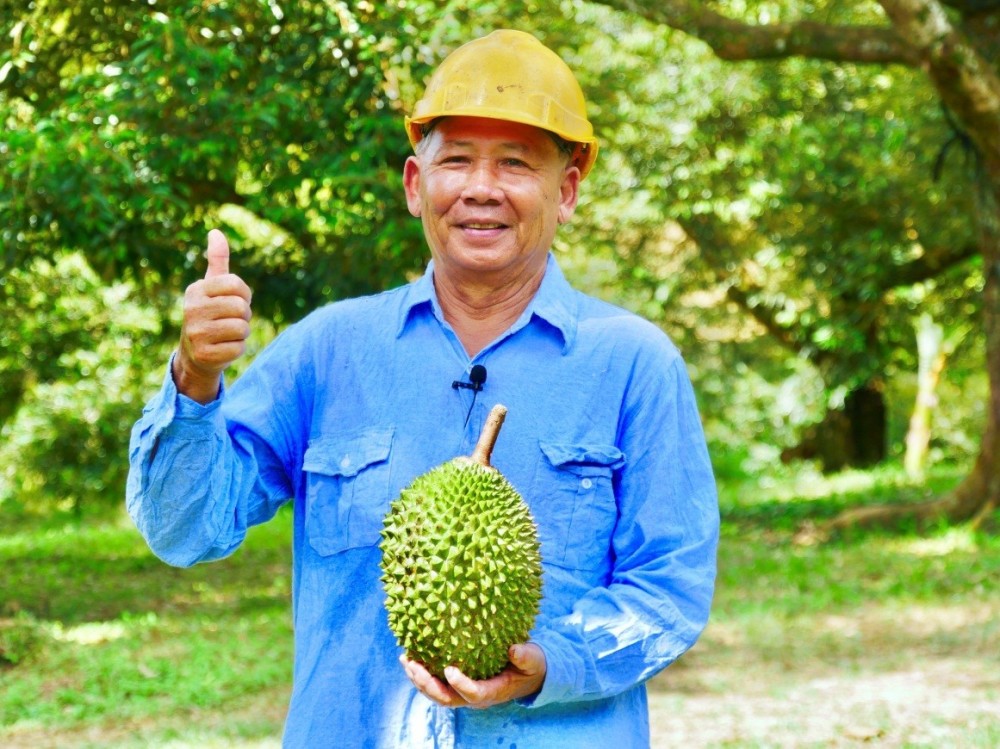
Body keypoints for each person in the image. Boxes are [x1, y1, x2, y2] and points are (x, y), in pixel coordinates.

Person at [127, 28, 719, 749]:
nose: (480, 188)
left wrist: (552, 663)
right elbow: (184, 529)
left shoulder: (633, 363)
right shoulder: (328, 349)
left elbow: (670, 586)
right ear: (416, 184)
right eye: (458, 160)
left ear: (565, 191)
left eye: (515, 164)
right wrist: (195, 377)